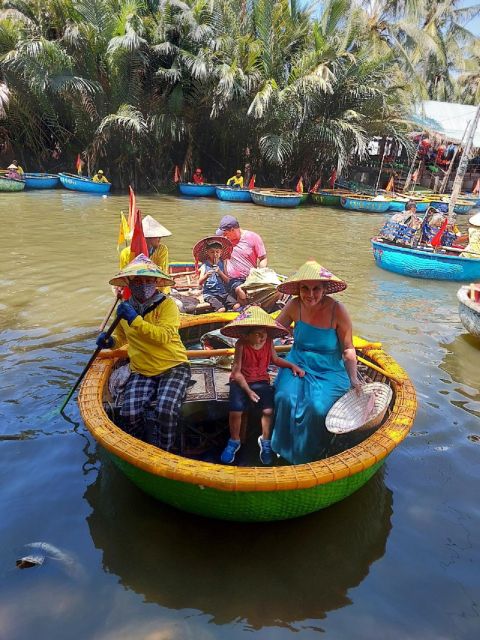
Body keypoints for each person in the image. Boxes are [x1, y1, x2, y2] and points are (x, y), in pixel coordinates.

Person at [270, 260, 361, 465]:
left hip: (329, 369)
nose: (310, 294)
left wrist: (354, 379)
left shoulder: (338, 311)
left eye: (316, 289)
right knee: (284, 398)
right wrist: (261, 351)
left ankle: (311, 454)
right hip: (297, 362)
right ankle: (281, 450)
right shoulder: (294, 305)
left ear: (325, 289)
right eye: (305, 288)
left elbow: (347, 349)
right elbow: (273, 330)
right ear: (298, 289)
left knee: (317, 408)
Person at [96, 255, 191, 451]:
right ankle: (141, 446)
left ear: (156, 282)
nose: (144, 285)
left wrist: (136, 320)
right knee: (129, 412)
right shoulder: (125, 309)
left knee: (166, 410)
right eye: (138, 281)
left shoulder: (167, 305)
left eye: (149, 280)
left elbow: (163, 336)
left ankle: (166, 449)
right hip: (142, 369)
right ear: (130, 283)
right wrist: (110, 341)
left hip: (173, 366)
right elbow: (122, 337)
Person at [219, 306, 305, 465]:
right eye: (258, 334)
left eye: (264, 333)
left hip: (261, 380)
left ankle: (265, 441)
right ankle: (234, 440)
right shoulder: (241, 345)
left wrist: (293, 366)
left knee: (268, 410)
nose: (263, 336)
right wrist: (248, 391)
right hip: (241, 381)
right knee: (236, 411)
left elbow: (276, 360)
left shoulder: (269, 342)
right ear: (247, 334)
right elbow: (236, 372)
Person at [215, 215, 267, 303]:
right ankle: (246, 309)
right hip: (232, 279)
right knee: (240, 290)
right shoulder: (224, 241)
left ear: (233, 230)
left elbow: (263, 258)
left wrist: (261, 273)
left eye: (225, 233)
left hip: (251, 277)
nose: (224, 236)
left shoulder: (253, 237)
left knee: (274, 290)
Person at [119, 215, 172, 294]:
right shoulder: (126, 252)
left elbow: (161, 272)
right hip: (133, 288)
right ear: (146, 238)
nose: (160, 239)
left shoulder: (162, 249)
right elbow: (124, 274)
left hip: (158, 288)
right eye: (157, 236)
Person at [193, 235, 240, 312]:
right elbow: (200, 282)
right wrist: (206, 275)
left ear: (221, 252)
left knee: (237, 306)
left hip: (223, 292)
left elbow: (227, 280)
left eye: (217, 252)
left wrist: (220, 272)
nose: (215, 254)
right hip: (210, 294)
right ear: (208, 253)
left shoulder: (223, 263)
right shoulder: (205, 265)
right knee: (221, 309)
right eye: (212, 252)